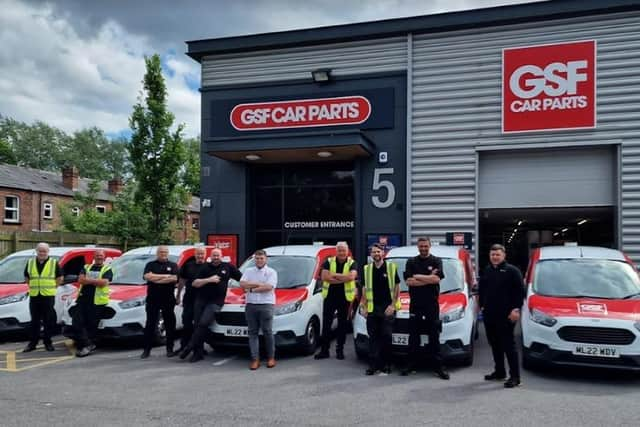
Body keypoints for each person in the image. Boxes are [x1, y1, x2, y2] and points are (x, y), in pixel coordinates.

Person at [180, 248, 242, 363]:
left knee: (203, 323)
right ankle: (197, 353)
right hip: (201, 300)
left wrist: (249, 289)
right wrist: (209, 280)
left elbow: (242, 279)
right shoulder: (205, 267)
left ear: (221, 256)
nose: (216, 257)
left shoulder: (227, 267)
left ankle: (189, 347)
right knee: (197, 325)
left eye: (218, 255)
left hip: (216, 302)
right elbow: (195, 283)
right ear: (211, 256)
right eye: (214, 255)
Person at [402, 237, 449, 380]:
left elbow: (436, 279)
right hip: (415, 305)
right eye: (421, 246)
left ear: (430, 246)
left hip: (431, 305)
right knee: (413, 336)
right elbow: (410, 282)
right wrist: (427, 279)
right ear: (418, 247)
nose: (423, 248)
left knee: (434, 336)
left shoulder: (436, 261)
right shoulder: (411, 261)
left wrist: (418, 277)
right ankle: (411, 365)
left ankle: (438, 367)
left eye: (425, 246)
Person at [479, 244, 525, 388]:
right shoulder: (487, 270)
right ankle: (499, 372)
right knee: (495, 345)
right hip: (489, 315)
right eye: (492, 254)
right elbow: (482, 289)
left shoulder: (512, 271)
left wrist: (516, 309)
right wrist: (481, 305)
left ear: (504, 255)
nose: (495, 257)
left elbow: (520, 292)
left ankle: (515, 377)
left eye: (498, 254)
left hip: (507, 315)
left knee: (508, 346)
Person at [360, 243, 400, 375]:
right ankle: (373, 366)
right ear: (370, 254)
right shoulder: (366, 269)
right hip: (372, 308)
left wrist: (393, 305)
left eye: (378, 252)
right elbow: (364, 289)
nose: (376, 254)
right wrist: (363, 306)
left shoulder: (391, 267)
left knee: (386, 337)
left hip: (387, 308)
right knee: (373, 338)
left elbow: (396, 288)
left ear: (383, 253)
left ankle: (386, 365)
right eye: (374, 252)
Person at [315, 241, 358, 360]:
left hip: (344, 298)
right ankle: (324, 351)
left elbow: (351, 277)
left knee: (342, 325)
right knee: (326, 325)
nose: (341, 252)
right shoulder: (328, 261)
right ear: (336, 251)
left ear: (347, 251)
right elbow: (324, 277)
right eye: (339, 250)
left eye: (343, 250)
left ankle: (340, 350)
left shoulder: (352, 262)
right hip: (330, 297)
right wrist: (343, 278)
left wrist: (333, 276)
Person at [239, 249, 277, 370]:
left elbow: (269, 287)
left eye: (261, 258)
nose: (259, 260)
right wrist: (259, 284)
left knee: (267, 332)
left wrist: (251, 289)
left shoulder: (272, 272)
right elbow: (242, 284)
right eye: (257, 258)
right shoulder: (249, 271)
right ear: (254, 259)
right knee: (252, 333)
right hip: (251, 304)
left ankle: (271, 358)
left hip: (266, 304)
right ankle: (255, 359)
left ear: (266, 259)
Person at [23, 242, 64, 352]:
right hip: (35, 295)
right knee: (34, 321)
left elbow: (60, 278)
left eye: (44, 251)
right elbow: (27, 277)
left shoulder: (53, 263)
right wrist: (33, 286)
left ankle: (48, 342)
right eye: (40, 251)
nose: (42, 253)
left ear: (48, 252)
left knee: (48, 320)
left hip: (48, 296)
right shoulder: (30, 262)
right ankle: (32, 343)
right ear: (36, 251)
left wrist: (53, 287)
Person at [140, 246, 179, 359]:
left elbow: (174, 279)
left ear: (168, 253)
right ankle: (146, 350)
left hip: (168, 299)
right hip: (153, 299)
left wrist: (156, 278)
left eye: (165, 252)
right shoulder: (150, 264)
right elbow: (147, 276)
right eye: (161, 252)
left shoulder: (173, 265)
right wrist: (165, 276)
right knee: (150, 325)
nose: (163, 253)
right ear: (157, 253)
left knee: (169, 324)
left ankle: (170, 349)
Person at [73, 249, 113, 357]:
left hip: (97, 302)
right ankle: (88, 344)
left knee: (91, 326)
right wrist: (95, 281)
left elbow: (104, 283)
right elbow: (81, 280)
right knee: (76, 323)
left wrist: (88, 280)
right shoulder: (86, 267)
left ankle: (87, 346)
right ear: (94, 257)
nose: (99, 257)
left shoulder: (107, 269)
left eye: (101, 255)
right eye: (97, 255)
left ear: (104, 257)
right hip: (82, 300)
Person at [176, 247, 208, 354]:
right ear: (195, 254)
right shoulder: (188, 265)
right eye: (198, 254)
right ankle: (183, 346)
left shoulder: (209, 267)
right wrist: (178, 295)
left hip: (202, 299)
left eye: (202, 254)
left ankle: (199, 348)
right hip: (189, 298)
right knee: (186, 323)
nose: (200, 256)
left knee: (199, 325)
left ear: (205, 254)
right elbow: (182, 280)